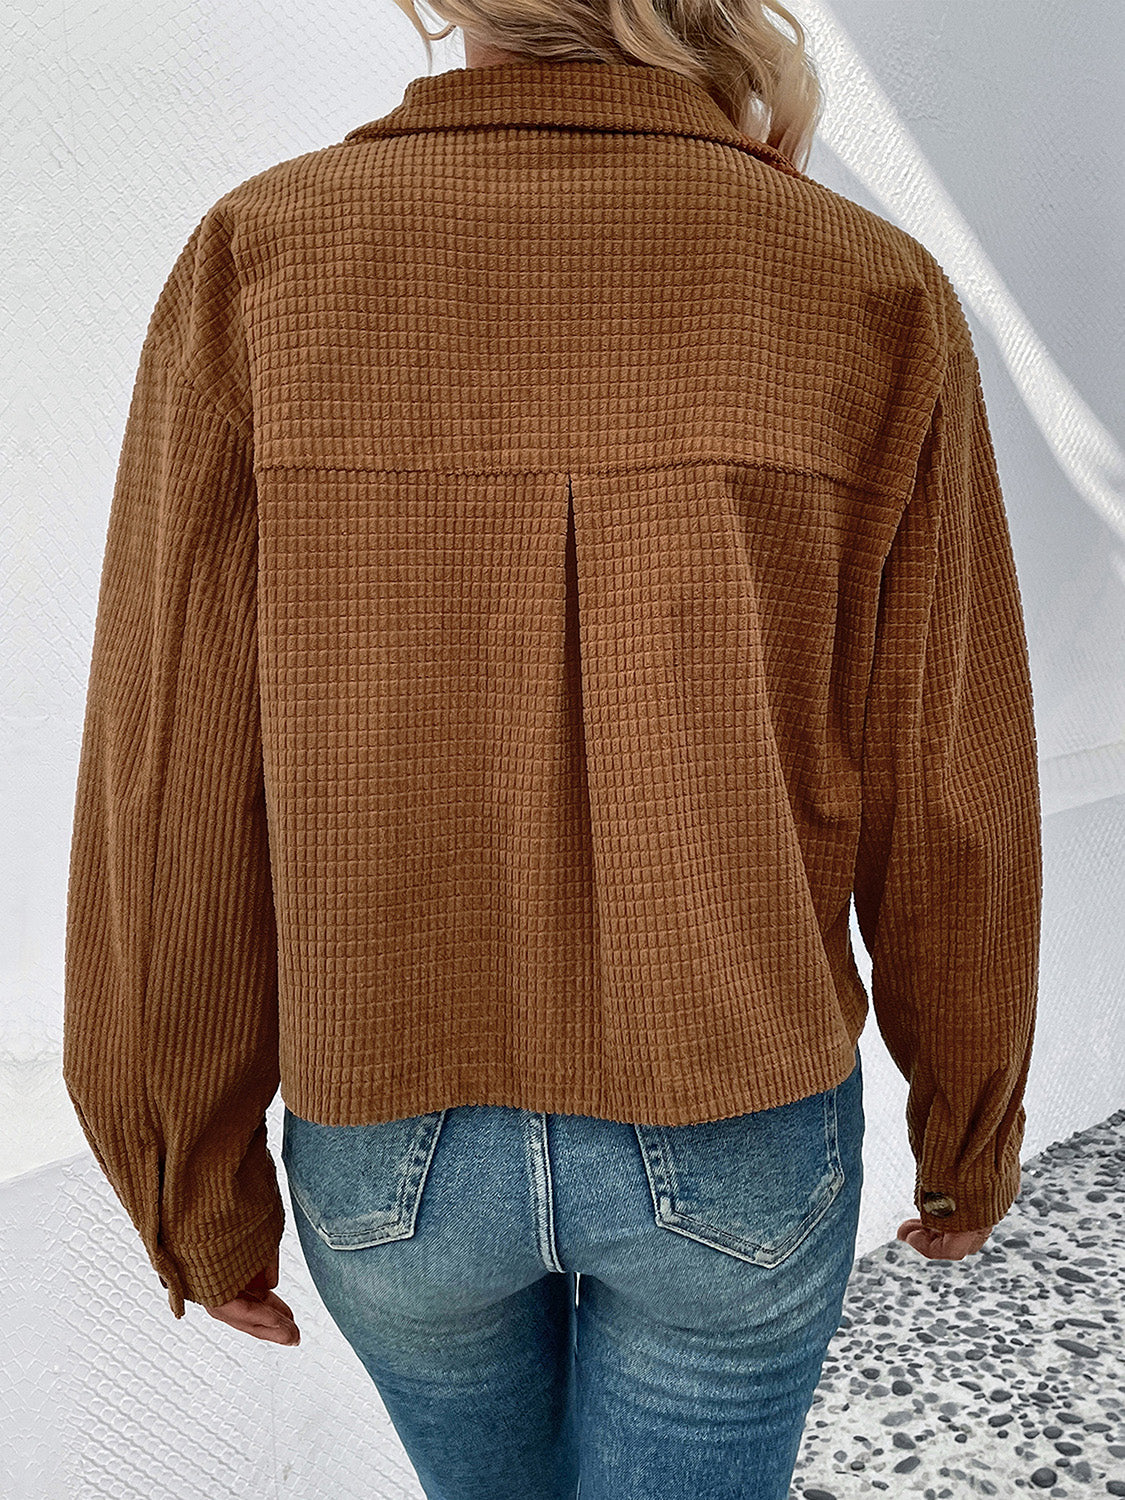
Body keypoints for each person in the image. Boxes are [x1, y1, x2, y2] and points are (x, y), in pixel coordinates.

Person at [63, 2, 1042, 1496]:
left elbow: (167, 772)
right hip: (734, 1113)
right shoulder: (862, 284)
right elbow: (949, 772)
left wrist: (186, 1175)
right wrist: (965, 1119)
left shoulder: (261, 259)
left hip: (388, 1137)